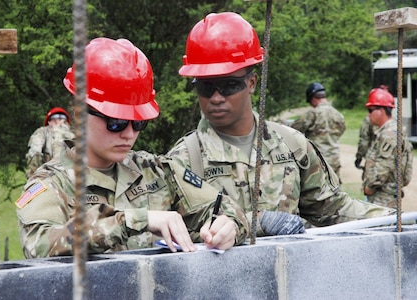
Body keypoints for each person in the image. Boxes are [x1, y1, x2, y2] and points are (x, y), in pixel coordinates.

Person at [16, 37, 248, 259]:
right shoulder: (52, 184)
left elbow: (225, 208)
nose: (128, 134)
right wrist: (135, 220)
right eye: (115, 122)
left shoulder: (157, 171)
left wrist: (227, 227)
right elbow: (39, 244)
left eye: (138, 122)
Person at [166, 12, 395, 236]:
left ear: (252, 82)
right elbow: (167, 236)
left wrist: (395, 219)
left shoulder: (291, 144)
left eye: (228, 85)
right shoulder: (183, 161)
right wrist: (253, 224)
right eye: (206, 87)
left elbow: (331, 209)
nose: (216, 97)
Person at [363, 88, 413, 207]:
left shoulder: (389, 134)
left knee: (380, 225)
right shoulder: (390, 129)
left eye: (371, 110)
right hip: (386, 194)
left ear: (381, 110)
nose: (368, 114)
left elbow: (383, 168)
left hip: (383, 197)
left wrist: (370, 188)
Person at [289, 82, 346, 180]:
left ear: (313, 98)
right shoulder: (338, 115)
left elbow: (294, 129)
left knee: (318, 191)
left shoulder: (312, 114)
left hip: (318, 160)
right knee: (335, 188)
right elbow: (341, 130)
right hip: (334, 159)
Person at [25, 107, 75, 178]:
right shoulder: (75, 135)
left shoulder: (42, 131)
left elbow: (34, 153)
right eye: (56, 117)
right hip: (73, 178)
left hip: (49, 177)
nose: (61, 120)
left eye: (63, 117)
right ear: (49, 122)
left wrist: (35, 174)